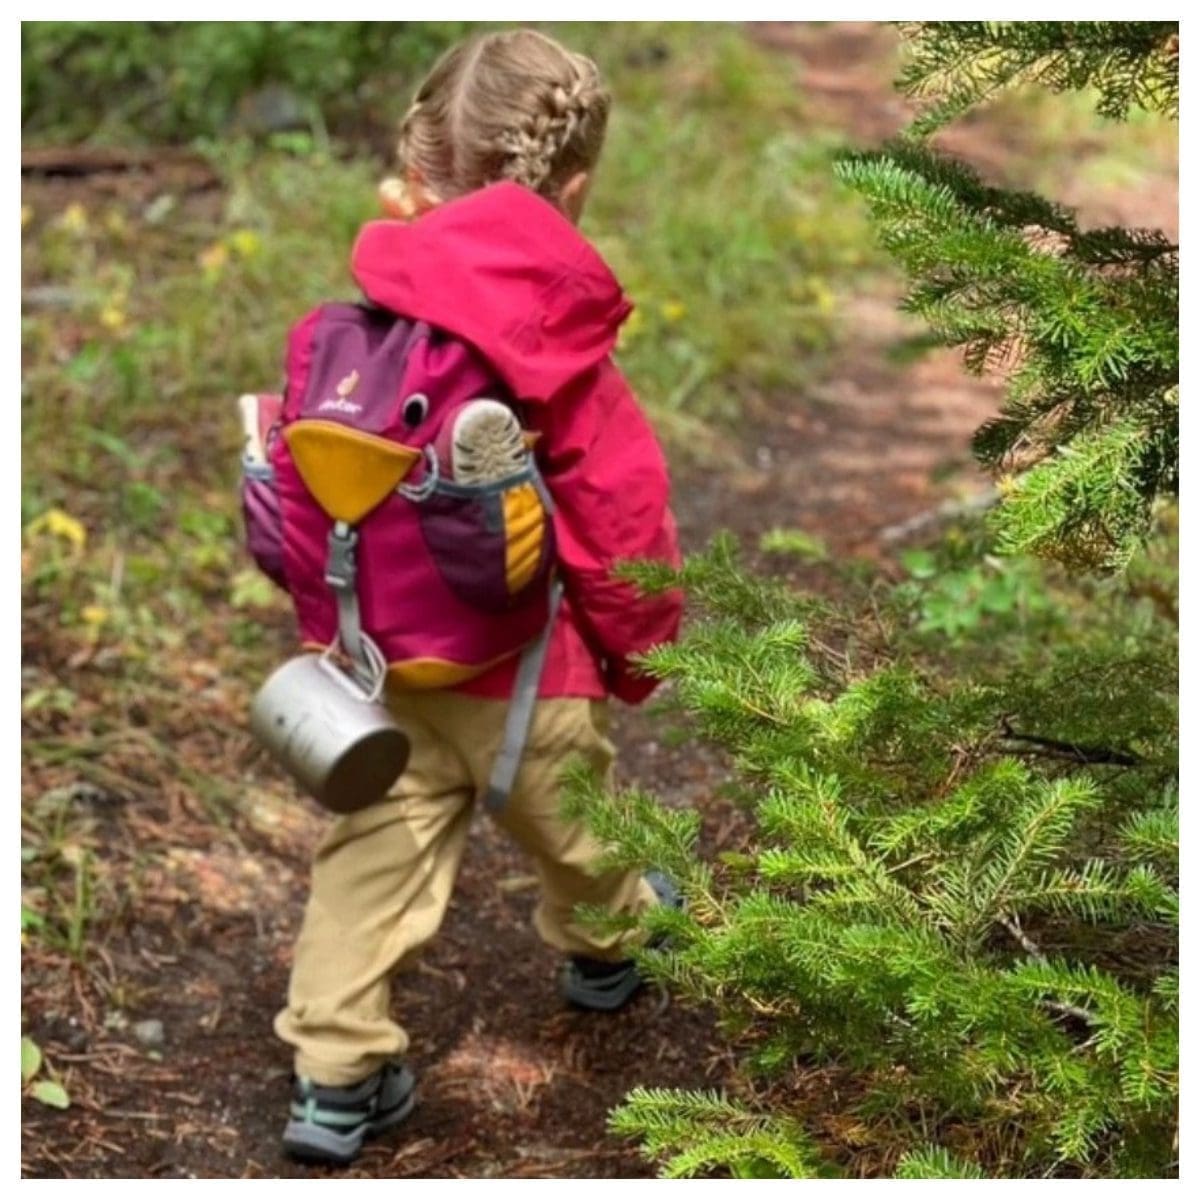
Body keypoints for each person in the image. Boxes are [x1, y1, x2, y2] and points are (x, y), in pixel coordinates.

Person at [271, 28, 684, 1165]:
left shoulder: (342, 337)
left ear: (416, 173)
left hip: (384, 670)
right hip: (527, 676)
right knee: (583, 829)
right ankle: (610, 951)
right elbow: (620, 525)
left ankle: (335, 1076)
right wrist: (639, 652)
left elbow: (320, 506)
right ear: (576, 190)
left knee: (369, 862)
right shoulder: (559, 356)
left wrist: (333, 636)